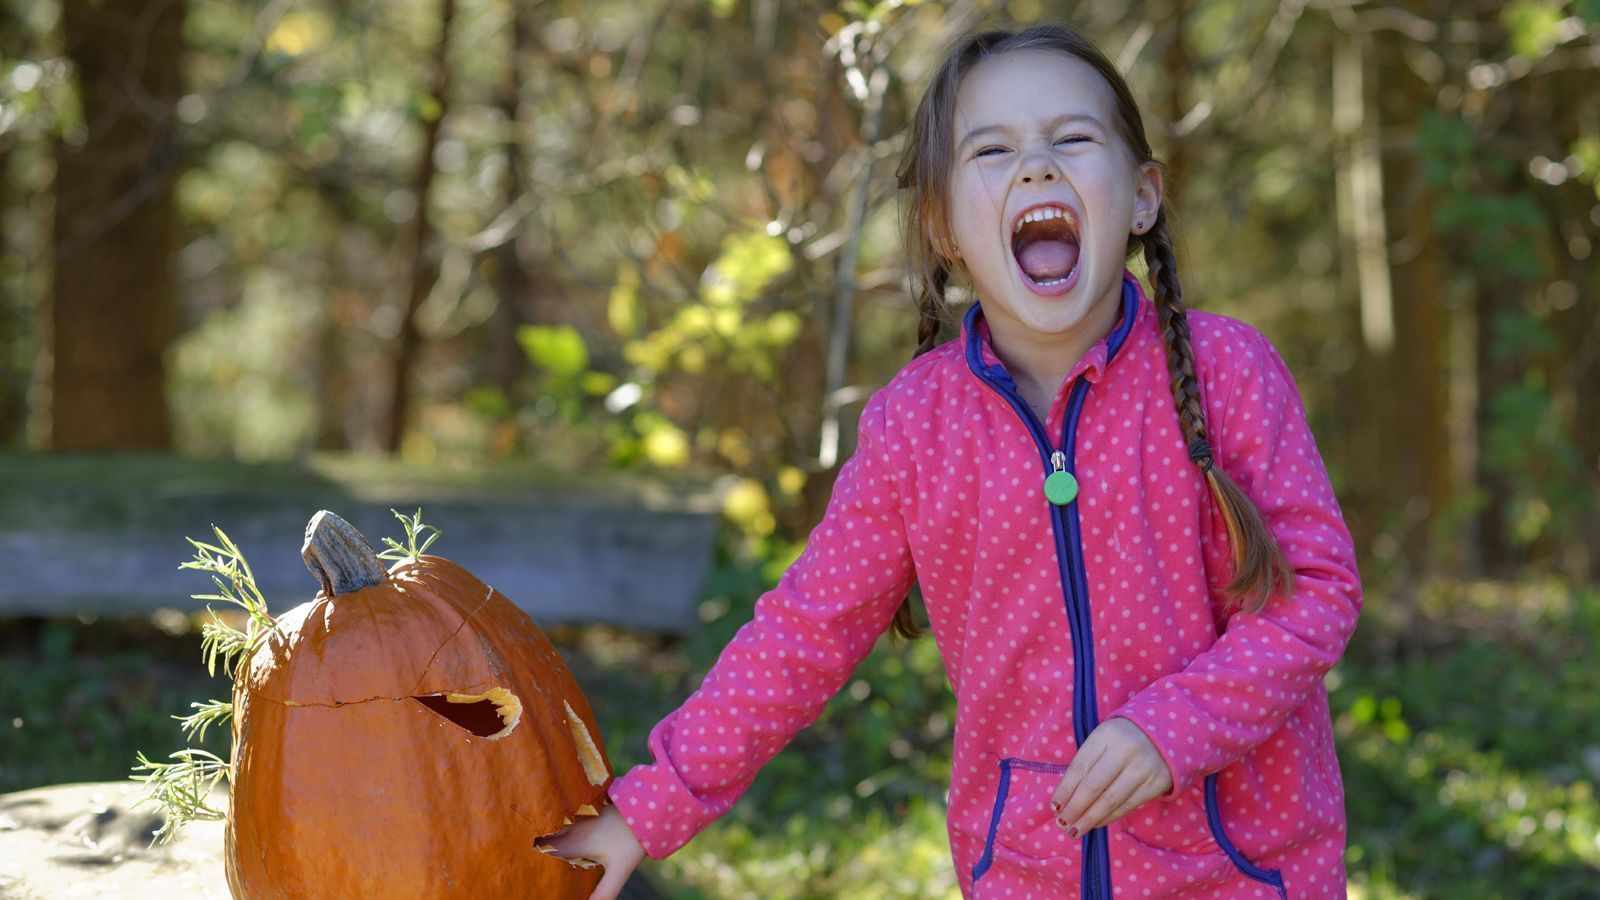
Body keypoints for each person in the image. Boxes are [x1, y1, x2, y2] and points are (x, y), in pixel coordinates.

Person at [537, 21, 1362, 899]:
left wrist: (1171, 729)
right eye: (993, 149)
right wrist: (649, 806)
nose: (1037, 167)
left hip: (1242, 870)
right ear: (942, 226)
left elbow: (1314, 592)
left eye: (1073, 139)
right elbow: (802, 634)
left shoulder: (1229, 370)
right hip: (1026, 870)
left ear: (1144, 196)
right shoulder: (915, 428)